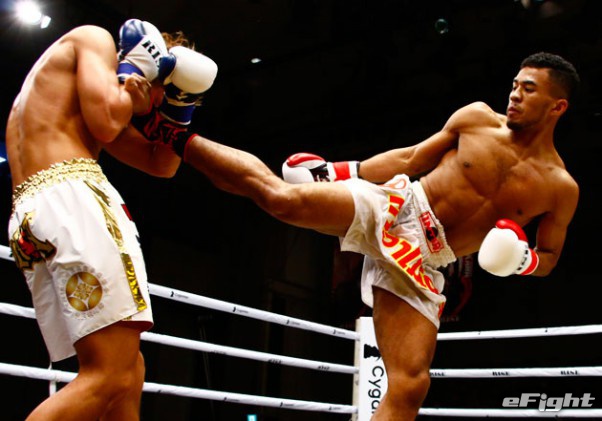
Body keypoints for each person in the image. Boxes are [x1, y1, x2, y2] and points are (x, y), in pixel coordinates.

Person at [138, 51, 580, 419]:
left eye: (529, 89)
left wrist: (523, 260)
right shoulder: (477, 118)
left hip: (427, 260)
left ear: (557, 106)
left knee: (410, 386)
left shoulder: (559, 187)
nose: (514, 94)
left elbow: (550, 256)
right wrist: (338, 172)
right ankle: (171, 133)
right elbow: (410, 158)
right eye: (515, 85)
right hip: (399, 205)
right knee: (281, 199)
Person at [4, 19, 216, 420]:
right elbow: (107, 118)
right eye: (163, 91)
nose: (156, 103)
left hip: (36, 213)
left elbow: (160, 164)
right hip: (73, 200)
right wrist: (132, 76)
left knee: (129, 370)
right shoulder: (94, 39)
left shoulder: (76, 101)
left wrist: (180, 108)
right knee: (109, 375)